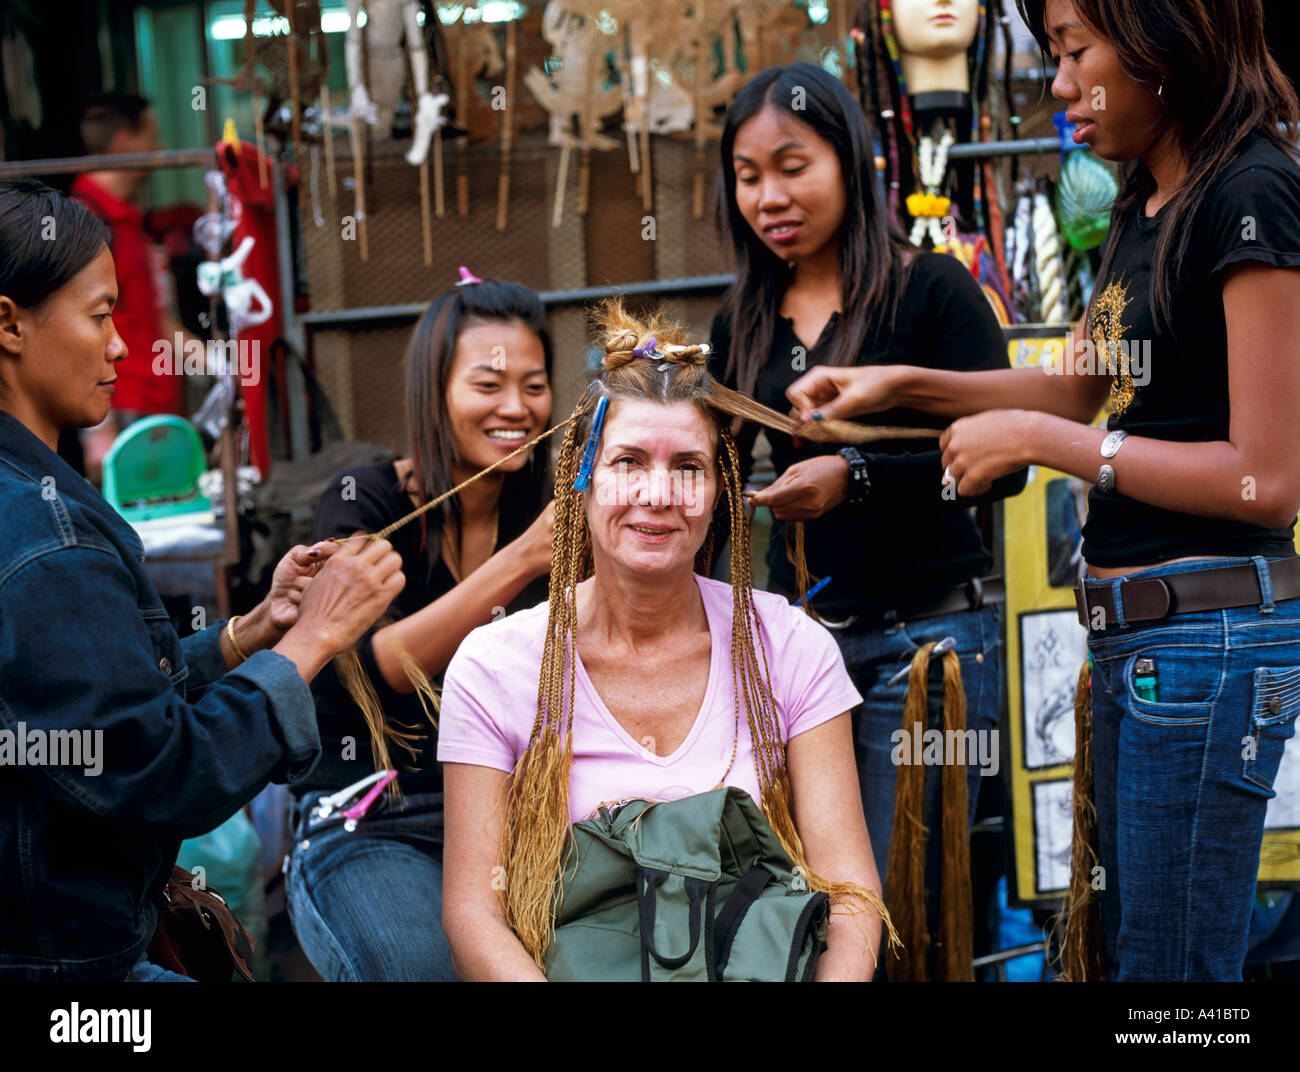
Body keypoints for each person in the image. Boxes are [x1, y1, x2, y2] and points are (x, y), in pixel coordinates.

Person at [785, 0, 1300, 982]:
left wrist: (1049, 443)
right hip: (1144, 640)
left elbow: (1266, 478)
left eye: (1072, 52)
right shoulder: (1144, 200)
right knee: (1132, 962)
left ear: (1161, 40)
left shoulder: (1254, 193)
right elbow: (1075, 386)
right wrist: (902, 386)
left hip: (1207, 641)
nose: (1060, 83)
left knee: (1173, 980)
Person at [0, 178, 403, 982]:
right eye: (100, 314)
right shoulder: (47, 541)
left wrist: (249, 633)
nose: (119, 345)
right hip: (69, 971)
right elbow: (160, 773)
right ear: (9, 323)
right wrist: (317, 636)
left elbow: (99, 707)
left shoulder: (32, 503)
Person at [438, 302, 889, 981]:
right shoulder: (496, 666)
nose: (658, 492)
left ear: (718, 492)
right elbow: (475, 913)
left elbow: (850, 894)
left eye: (687, 466)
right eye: (627, 461)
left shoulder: (791, 647)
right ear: (580, 480)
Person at [710, 61, 1026, 976]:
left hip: (926, 646)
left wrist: (855, 476)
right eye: (747, 174)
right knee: (805, 900)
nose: (769, 195)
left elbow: (997, 475)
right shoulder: (743, 322)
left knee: (903, 909)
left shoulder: (935, 292)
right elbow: (724, 486)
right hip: (796, 657)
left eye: (792, 164)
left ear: (849, 160)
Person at [285, 275, 556, 982]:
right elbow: (385, 665)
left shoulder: (561, 511)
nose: (516, 408)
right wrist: (523, 556)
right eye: (488, 384)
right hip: (376, 819)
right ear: (432, 393)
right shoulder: (361, 500)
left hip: (521, 822)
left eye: (535, 386)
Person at [72, 93, 197, 483]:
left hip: (159, 405)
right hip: (121, 405)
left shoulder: (132, 222)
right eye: (152, 136)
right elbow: (72, 324)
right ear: (126, 140)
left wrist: (229, 369)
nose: (159, 149)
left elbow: (161, 319)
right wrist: (96, 428)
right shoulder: (85, 219)